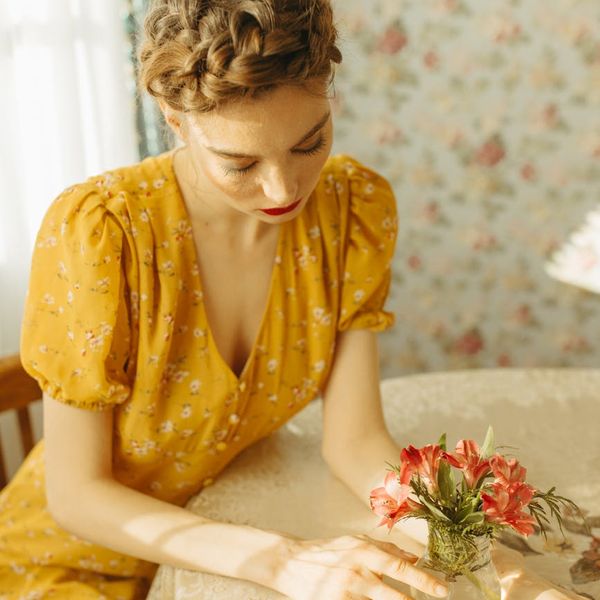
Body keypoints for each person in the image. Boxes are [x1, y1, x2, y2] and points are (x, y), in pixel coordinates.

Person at [0, 1, 583, 599]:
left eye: (310, 143)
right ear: (174, 118)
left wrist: (489, 566)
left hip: (224, 541)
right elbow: (74, 494)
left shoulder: (351, 211)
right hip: (65, 565)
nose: (282, 190)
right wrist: (280, 561)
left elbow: (354, 443)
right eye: (239, 162)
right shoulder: (104, 232)